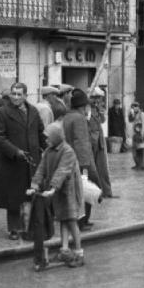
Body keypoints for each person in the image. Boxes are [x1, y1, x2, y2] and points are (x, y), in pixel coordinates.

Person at [27, 122, 84, 270]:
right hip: (58, 191)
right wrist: (34, 185)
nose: (46, 141)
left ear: (56, 137)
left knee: (71, 220)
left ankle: (79, 253)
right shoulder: (48, 151)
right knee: (62, 219)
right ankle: (64, 249)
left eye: (48, 138)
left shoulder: (68, 151)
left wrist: (53, 188)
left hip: (69, 190)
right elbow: (41, 169)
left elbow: (62, 170)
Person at [0, 83, 46, 240]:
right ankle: (14, 228)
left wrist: (48, 148)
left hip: (32, 160)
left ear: (25, 96)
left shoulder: (34, 111)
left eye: (19, 94)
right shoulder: (1, 113)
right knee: (14, 196)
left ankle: (31, 226)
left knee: (32, 194)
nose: (15, 97)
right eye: (13, 94)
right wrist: (15, 151)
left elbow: (40, 133)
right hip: (12, 161)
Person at [63, 89, 100, 231]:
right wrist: (86, 166)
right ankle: (82, 221)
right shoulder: (79, 118)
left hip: (69, 159)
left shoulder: (67, 116)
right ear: (83, 106)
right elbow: (82, 143)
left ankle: (81, 220)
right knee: (84, 192)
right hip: (80, 161)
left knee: (75, 192)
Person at [88, 91, 115, 198]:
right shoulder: (86, 109)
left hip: (99, 141)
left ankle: (105, 191)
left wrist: (101, 112)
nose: (97, 100)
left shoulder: (98, 108)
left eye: (99, 98)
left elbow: (102, 121)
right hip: (90, 141)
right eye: (96, 98)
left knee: (102, 167)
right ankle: (92, 191)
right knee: (90, 169)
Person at [129, 102, 144, 171]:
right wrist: (131, 113)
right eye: (132, 108)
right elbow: (130, 120)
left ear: (138, 107)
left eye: (134, 107)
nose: (133, 109)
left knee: (140, 151)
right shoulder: (134, 114)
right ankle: (137, 164)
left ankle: (141, 166)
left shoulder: (142, 114)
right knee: (135, 151)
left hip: (140, 135)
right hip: (135, 135)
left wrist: (142, 135)